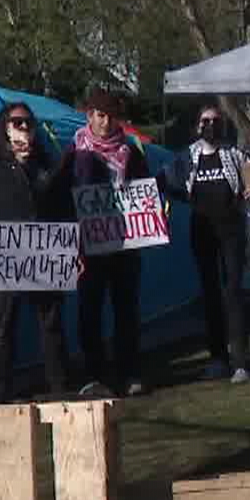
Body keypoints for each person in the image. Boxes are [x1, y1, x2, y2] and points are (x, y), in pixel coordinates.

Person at [0, 100, 72, 403]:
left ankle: (59, 385)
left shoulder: (47, 161)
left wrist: (72, 247)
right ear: (4, 127)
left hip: (45, 248)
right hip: (5, 253)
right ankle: (0, 389)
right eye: (17, 122)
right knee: (2, 325)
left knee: (51, 322)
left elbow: (64, 206)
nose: (24, 127)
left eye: (28, 122)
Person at [63, 89, 151, 397]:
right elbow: (63, 194)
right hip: (89, 245)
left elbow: (145, 191)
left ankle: (129, 372)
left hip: (126, 243)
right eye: (100, 115)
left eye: (111, 116)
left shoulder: (132, 152)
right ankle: (93, 375)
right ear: (90, 116)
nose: (105, 121)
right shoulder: (75, 151)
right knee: (90, 310)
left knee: (126, 309)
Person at [168, 105, 250, 383]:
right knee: (210, 293)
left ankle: (240, 360)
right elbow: (166, 182)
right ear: (197, 126)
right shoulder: (186, 158)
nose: (210, 125)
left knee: (233, 292)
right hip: (202, 230)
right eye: (205, 120)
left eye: (216, 121)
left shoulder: (235, 155)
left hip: (232, 230)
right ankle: (217, 358)